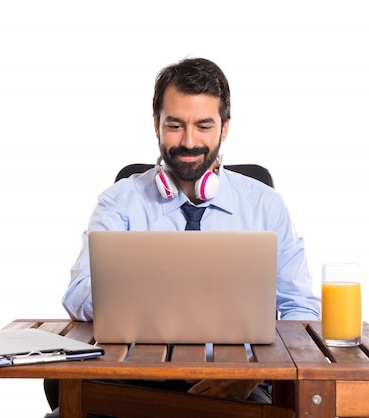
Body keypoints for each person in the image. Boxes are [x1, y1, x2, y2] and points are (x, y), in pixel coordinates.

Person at [45, 57, 320, 417]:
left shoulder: (265, 206)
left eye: (203, 126)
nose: (188, 141)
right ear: (156, 127)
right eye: (175, 125)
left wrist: (254, 371)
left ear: (224, 129)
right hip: (131, 380)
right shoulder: (119, 201)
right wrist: (155, 295)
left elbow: (302, 312)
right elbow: (77, 292)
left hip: (238, 383)